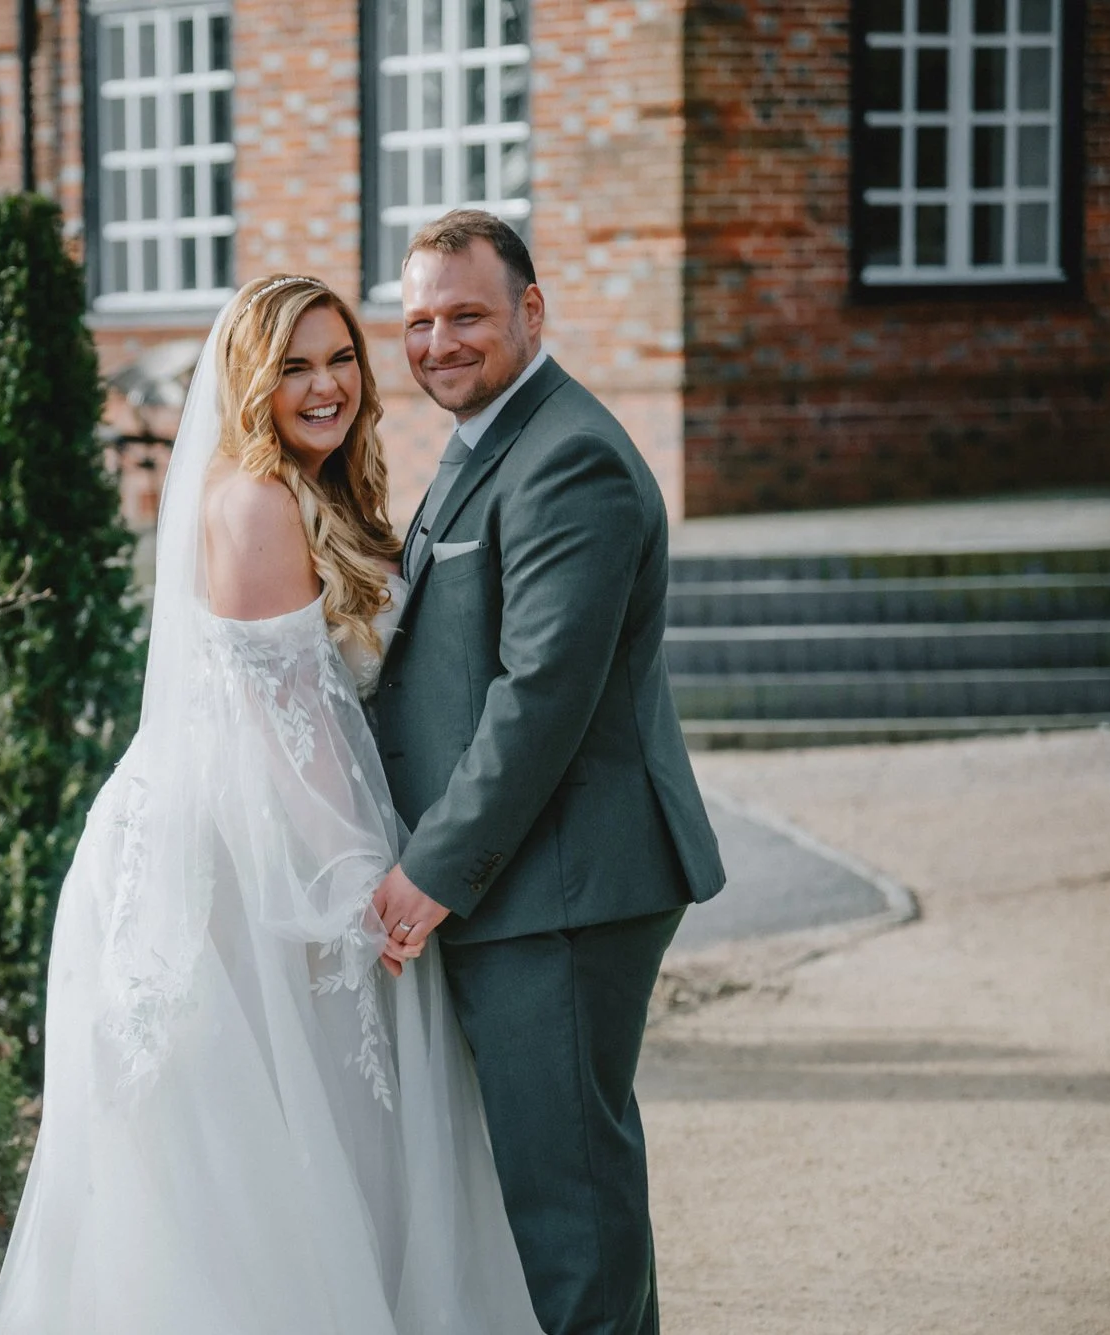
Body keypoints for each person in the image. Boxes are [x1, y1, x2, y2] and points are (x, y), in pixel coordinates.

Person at [0, 273, 541, 1335]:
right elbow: (290, 735)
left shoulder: (303, 488)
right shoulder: (253, 502)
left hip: (257, 819)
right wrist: (359, 885)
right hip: (244, 854)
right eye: (293, 365)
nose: (325, 385)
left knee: (301, 1133)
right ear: (250, 378)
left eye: (338, 358)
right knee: (256, 1143)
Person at [369, 209, 727, 1335]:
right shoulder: (486, 442)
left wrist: (430, 870)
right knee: (569, 1184)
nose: (437, 342)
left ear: (531, 310)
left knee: (567, 1206)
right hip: (531, 882)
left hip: (563, 885)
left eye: (465, 314)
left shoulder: (566, 456)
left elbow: (540, 699)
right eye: (418, 320)